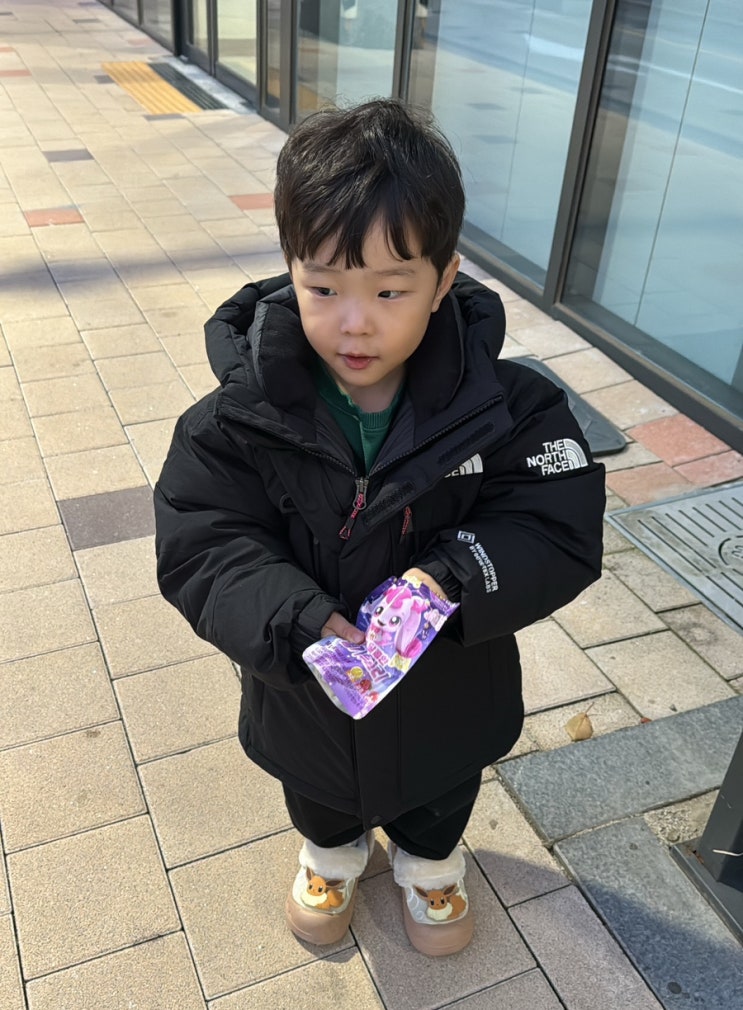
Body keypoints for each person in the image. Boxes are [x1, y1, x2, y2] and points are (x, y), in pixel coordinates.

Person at [154, 98, 605, 957]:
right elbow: (204, 539)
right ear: (290, 270)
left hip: (448, 691)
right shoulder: (234, 421)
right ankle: (330, 856)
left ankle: (430, 866)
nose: (354, 321)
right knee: (315, 792)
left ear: (443, 279)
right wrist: (295, 616)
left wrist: (451, 575)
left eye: (390, 290)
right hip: (305, 694)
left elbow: (554, 522)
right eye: (323, 288)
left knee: (441, 795)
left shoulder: (512, 410)